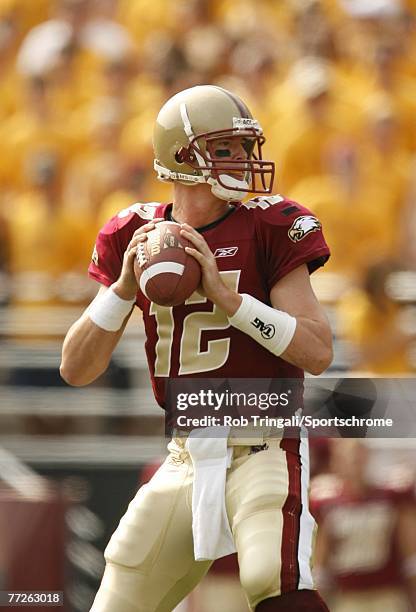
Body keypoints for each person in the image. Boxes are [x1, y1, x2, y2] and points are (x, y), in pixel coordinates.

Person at [60, 84, 333, 612]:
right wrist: (120, 291)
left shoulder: (271, 225)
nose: (248, 160)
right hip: (186, 453)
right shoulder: (134, 235)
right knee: (119, 597)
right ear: (183, 157)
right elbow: (75, 368)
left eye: (247, 146)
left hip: (265, 442)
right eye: (228, 148)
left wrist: (233, 303)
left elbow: (318, 351)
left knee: (272, 579)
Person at [311, 439, 416, 612]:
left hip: (387, 594)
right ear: (335, 461)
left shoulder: (390, 497)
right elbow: (321, 564)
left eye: (357, 456)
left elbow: (410, 556)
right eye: (346, 457)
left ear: (367, 456)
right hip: (348, 597)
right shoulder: (326, 502)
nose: (353, 463)